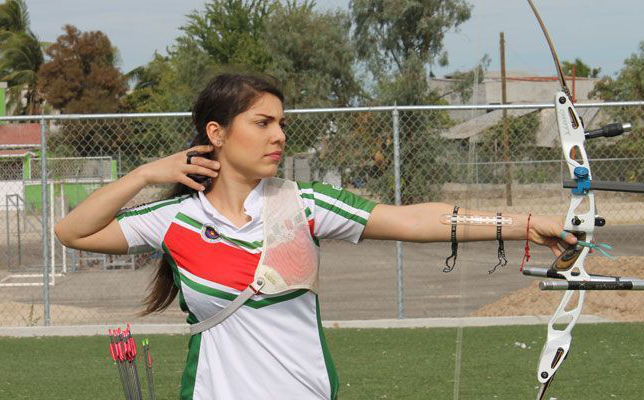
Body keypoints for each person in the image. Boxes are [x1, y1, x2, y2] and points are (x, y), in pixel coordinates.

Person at [54, 73, 576, 400]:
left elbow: (416, 221)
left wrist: (525, 224)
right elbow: (72, 231)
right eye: (262, 123)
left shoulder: (303, 203)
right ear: (217, 133)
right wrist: (146, 174)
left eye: (281, 123)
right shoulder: (173, 219)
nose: (279, 135)